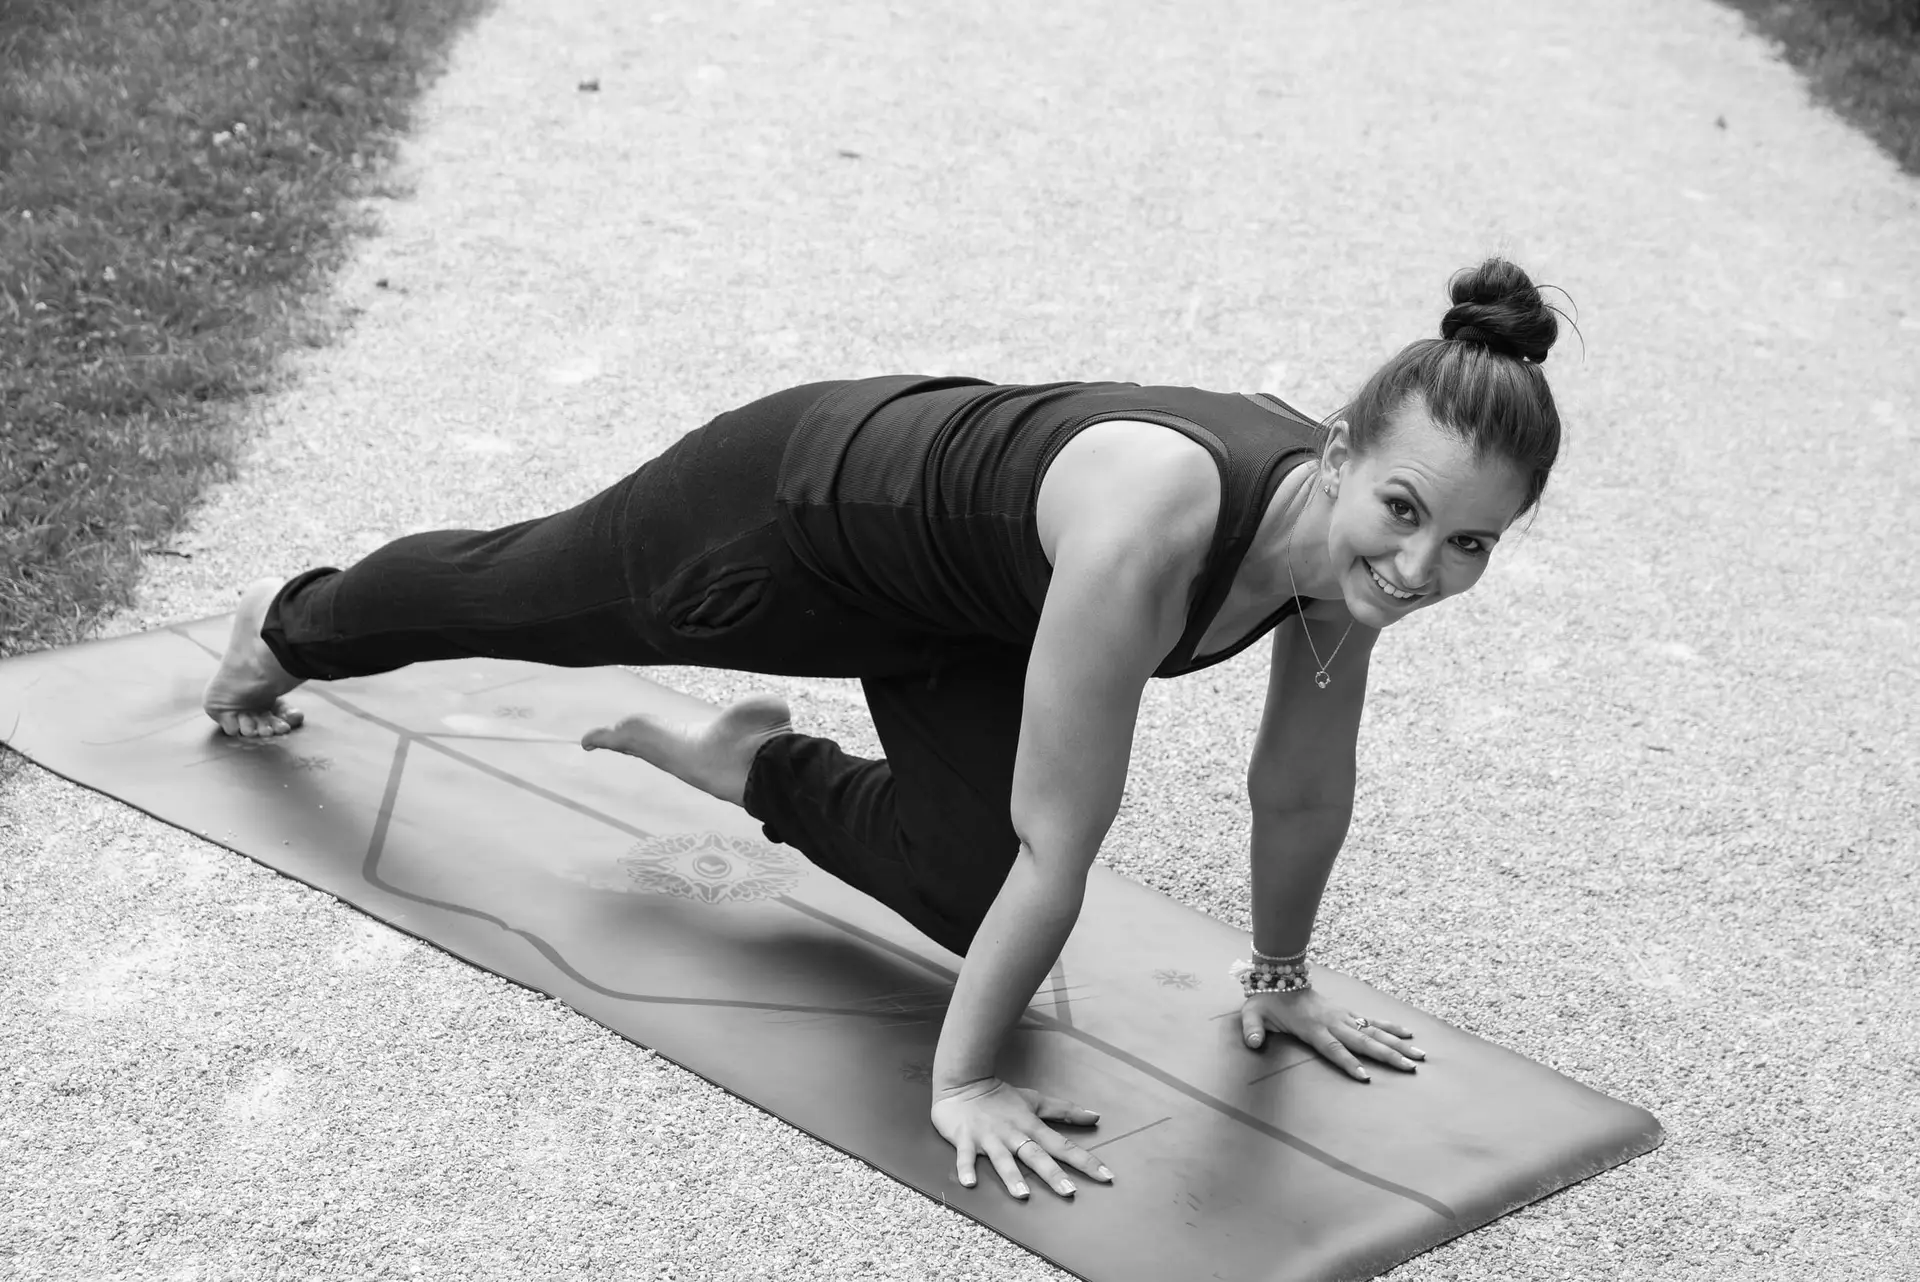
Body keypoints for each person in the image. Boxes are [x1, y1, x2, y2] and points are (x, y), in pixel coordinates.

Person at [203, 257, 1565, 1202]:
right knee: (524, 593)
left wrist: (1278, 977)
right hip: (795, 520)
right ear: (1338, 452)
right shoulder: (1154, 530)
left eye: (1470, 544)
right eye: (1404, 511)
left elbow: (1302, 787)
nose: (1418, 566)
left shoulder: (1344, 565)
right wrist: (961, 1082)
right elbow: (1065, 839)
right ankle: (291, 622)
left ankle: (745, 761)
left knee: (971, 891)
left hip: (964, 611)